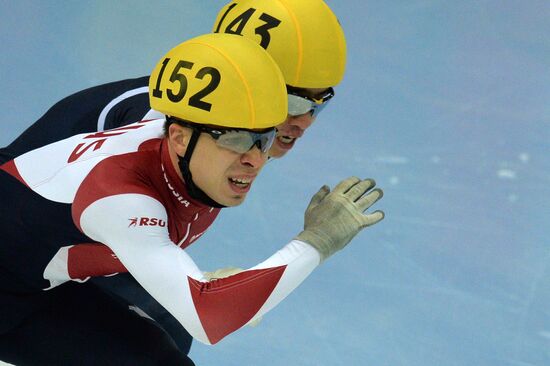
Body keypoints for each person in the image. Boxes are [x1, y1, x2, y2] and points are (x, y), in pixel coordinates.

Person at [0, 33, 384, 365]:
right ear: (181, 138)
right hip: (20, 287)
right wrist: (316, 242)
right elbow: (209, 316)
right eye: (234, 140)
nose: (253, 158)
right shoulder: (122, 194)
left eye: (263, 139)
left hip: (35, 277)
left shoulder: (189, 152)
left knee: (166, 340)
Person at [0, 0, 346, 162]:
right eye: (294, 103)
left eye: (320, 104)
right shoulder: (157, 124)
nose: (304, 123)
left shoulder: (214, 128)